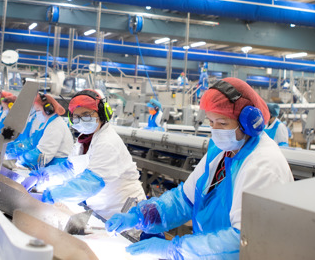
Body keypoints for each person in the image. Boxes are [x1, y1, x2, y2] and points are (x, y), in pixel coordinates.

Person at [106, 78, 293, 259]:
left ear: (249, 123)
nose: (215, 130)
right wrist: (141, 217)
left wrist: (175, 250)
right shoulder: (222, 151)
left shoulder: (263, 165)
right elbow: (184, 200)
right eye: (211, 123)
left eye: (222, 123)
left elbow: (242, 241)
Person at [24, 90, 146, 218]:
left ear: (101, 113)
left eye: (86, 114)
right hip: (100, 209)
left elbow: (89, 183)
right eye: (76, 117)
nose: (81, 120)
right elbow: (69, 169)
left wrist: (51, 196)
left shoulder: (107, 142)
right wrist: (42, 176)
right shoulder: (84, 140)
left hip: (122, 212)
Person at [15, 93, 73, 169]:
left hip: (57, 168)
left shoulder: (55, 125)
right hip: (49, 167)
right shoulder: (45, 124)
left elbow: (43, 154)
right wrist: (15, 149)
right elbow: (32, 141)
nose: (37, 114)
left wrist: (22, 159)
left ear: (48, 109)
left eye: (38, 110)